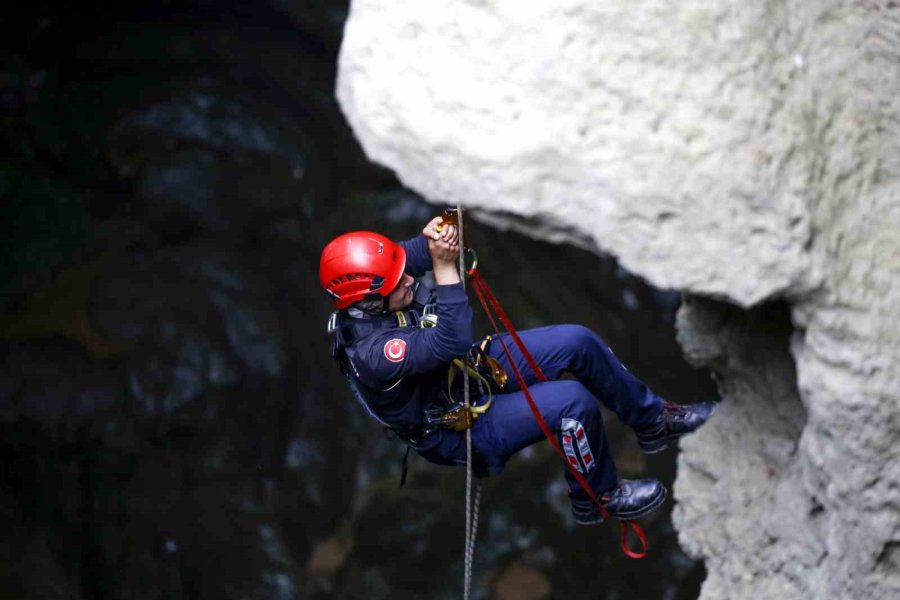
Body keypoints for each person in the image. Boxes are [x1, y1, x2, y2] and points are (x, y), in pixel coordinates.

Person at [319, 215, 716, 524]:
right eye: (397, 282)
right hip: (452, 428)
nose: (408, 279)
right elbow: (451, 339)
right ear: (368, 302)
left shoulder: (381, 282)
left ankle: (652, 420)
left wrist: (441, 235)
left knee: (578, 342)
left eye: (402, 271)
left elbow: (420, 253)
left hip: (462, 372)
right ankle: (597, 497)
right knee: (572, 403)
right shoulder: (373, 353)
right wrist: (444, 267)